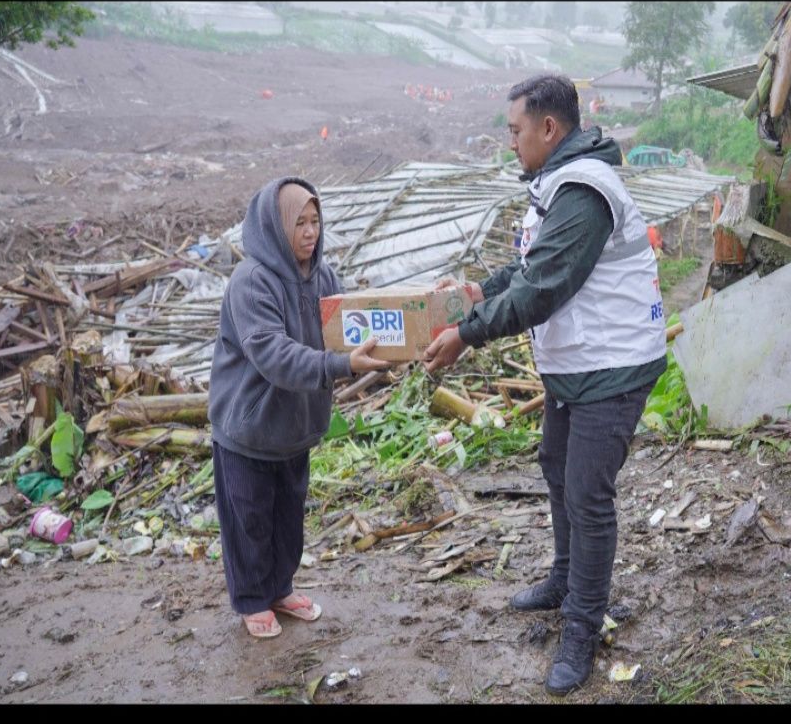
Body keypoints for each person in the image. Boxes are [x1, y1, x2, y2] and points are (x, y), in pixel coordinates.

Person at [423, 74, 666, 694]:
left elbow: (545, 288)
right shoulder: (558, 182)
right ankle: (564, 578)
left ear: (548, 129)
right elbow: (531, 264)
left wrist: (466, 332)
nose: (511, 143)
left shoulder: (584, 190)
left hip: (610, 368)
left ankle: (582, 630)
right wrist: (485, 289)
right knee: (555, 465)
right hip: (578, 365)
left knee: (587, 496)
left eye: (515, 130)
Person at [208, 177, 391, 638]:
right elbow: (272, 353)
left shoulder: (323, 278)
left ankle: (280, 587)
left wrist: (402, 343)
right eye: (299, 223)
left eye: (315, 221)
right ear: (273, 227)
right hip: (248, 427)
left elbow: (353, 325)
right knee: (249, 518)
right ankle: (252, 598)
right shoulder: (251, 282)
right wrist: (341, 364)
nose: (310, 232)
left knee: (288, 515)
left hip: (294, 425)